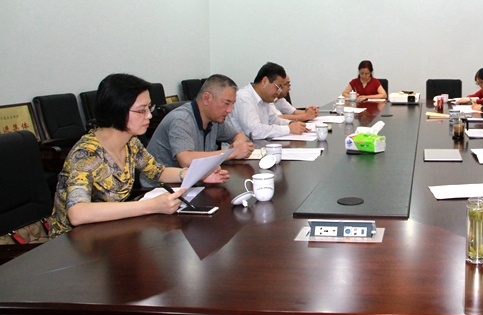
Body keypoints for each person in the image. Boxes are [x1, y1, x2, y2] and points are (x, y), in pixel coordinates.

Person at [48, 74, 213, 237]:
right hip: (73, 241)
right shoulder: (86, 154)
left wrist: (196, 173)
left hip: (109, 232)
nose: (149, 115)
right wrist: (152, 206)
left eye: (149, 108)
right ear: (117, 111)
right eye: (141, 110)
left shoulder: (131, 142)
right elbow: (77, 213)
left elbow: (157, 172)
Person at [147, 74, 253, 170]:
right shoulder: (181, 119)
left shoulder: (214, 119)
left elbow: (238, 135)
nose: (230, 110)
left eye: (232, 104)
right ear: (206, 98)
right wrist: (230, 153)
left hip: (194, 177)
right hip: (162, 183)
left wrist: (238, 144)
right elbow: (186, 160)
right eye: (226, 103)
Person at [229, 63, 310, 139]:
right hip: (242, 147)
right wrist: (288, 129)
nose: (278, 92)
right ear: (264, 81)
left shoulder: (265, 98)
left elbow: (273, 120)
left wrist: (291, 124)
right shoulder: (244, 98)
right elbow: (254, 132)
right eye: (278, 87)